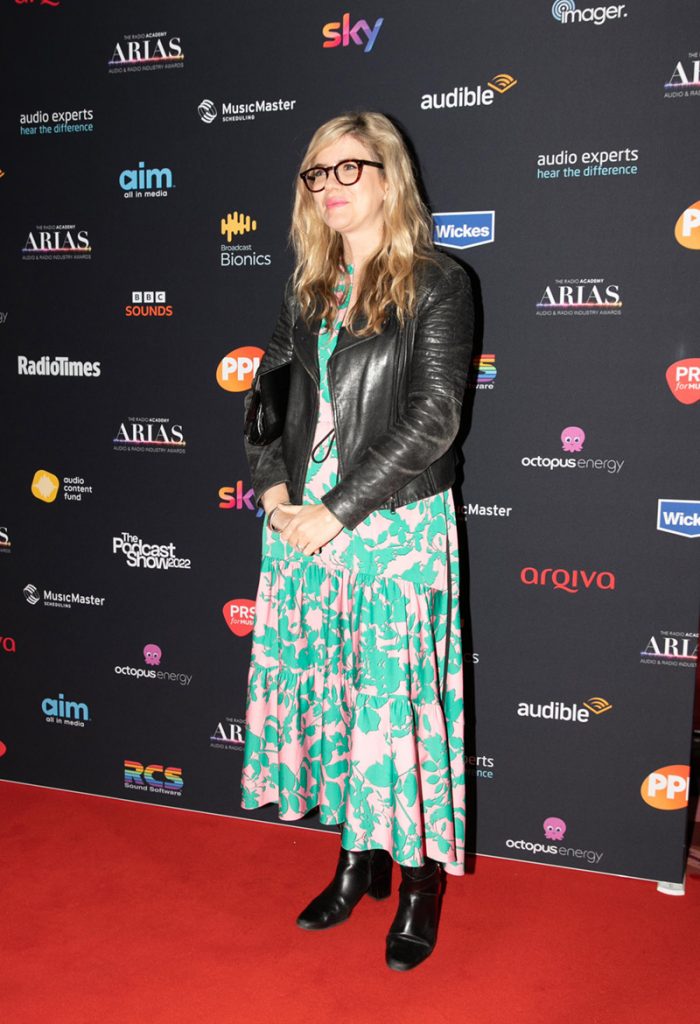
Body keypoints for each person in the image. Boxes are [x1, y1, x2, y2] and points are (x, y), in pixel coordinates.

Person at [241, 111, 474, 971]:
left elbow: (435, 418)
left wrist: (335, 509)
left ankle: (418, 885)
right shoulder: (307, 287)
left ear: (388, 177)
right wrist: (275, 492)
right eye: (317, 173)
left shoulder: (438, 283)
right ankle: (356, 860)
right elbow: (266, 404)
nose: (331, 187)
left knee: (393, 707)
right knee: (340, 698)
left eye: (350, 169)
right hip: (303, 530)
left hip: (392, 529)